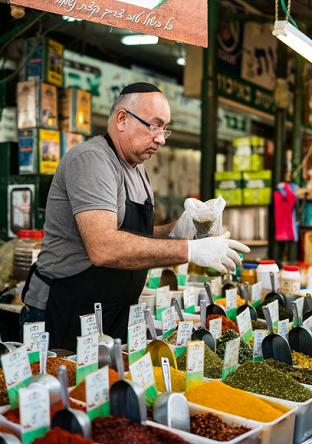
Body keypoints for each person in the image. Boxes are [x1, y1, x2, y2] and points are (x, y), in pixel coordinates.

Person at [19, 82, 250, 351]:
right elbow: (103, 247)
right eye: (154, 126)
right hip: (63, 312)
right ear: (122, 119)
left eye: (165, 129)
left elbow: (133, 236)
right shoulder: (91, 160)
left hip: (110, 313)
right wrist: (189, 250)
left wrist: (179, 229)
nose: (161, 138)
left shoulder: (137, 168)